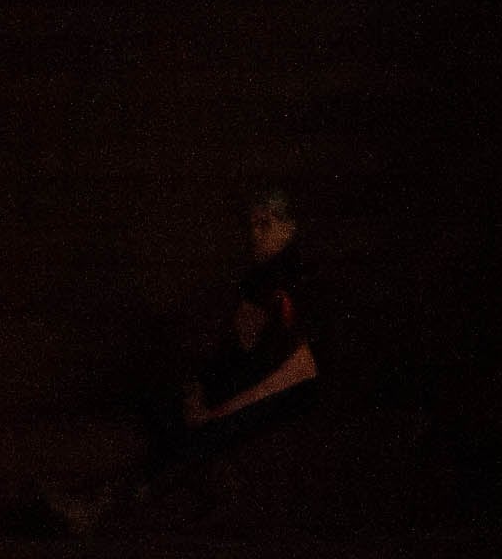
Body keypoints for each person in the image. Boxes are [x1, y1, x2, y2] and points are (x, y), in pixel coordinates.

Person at [38, 189, 318, 534]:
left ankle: (99, 506)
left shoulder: (293, 283)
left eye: (265, 224)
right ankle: (215, 479)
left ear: (290, 228)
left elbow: (297, 371)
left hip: (280, 395)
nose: (254, 234)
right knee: (161, 404)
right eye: (251, 224)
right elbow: (237, 349)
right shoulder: (259, 279)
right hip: (241, 384)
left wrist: (221, 410)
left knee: (196, 436)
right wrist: (198, 387)